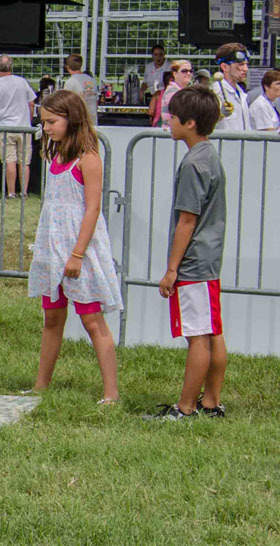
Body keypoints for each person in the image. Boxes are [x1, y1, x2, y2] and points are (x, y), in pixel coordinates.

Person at [26, 91, 123, 404]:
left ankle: (111, 393)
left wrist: (78, 254)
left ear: (72, 119)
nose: (47, 128)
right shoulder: (56, 156)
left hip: (79, 249)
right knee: (52, 319)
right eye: (44, 122)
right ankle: (41, 386)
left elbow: (92, 208)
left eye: (52, 122)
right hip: (52, 247)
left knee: (93, 321)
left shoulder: (88, 159)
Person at [148, 85, 228, 420]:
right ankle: (211, 402)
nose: (168, 120)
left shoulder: (193, 164)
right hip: (208, 258)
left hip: (194, 263)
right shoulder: (209, 155)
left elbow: (187, 219)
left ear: (190, 123)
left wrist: (172, 269)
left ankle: (185, 408)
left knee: (197, 337)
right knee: (212, 332)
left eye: (174, 116)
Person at [0, 55, 37, 198]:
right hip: (24, 127)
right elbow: (31, 103)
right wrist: (28, 120)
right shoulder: (22, 82)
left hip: (5, 128)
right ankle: (24, 192)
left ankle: (11, 192)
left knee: (9, 161)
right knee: (24, 162)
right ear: (11, 67)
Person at [210, 42, 251, 131]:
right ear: (225, 67)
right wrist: (220, 115)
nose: (246, 69)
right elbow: (204, 123)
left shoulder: (241, 92)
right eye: (241, 65)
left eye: (246, 64)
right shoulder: (215, 92)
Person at [62, 54, 99, 125]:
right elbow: (96, 101)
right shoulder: (91, 80)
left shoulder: (70, 82)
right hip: (92, 120)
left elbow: (66, 103)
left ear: (67, 67)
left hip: (78, 121)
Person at [160, 60, 193, 128]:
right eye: (184, 71)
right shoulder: (172, 91)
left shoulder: (184, 91)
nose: (188, 73)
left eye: (190, 71)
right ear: (175, 74)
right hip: (171, 131)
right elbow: (182, 113)